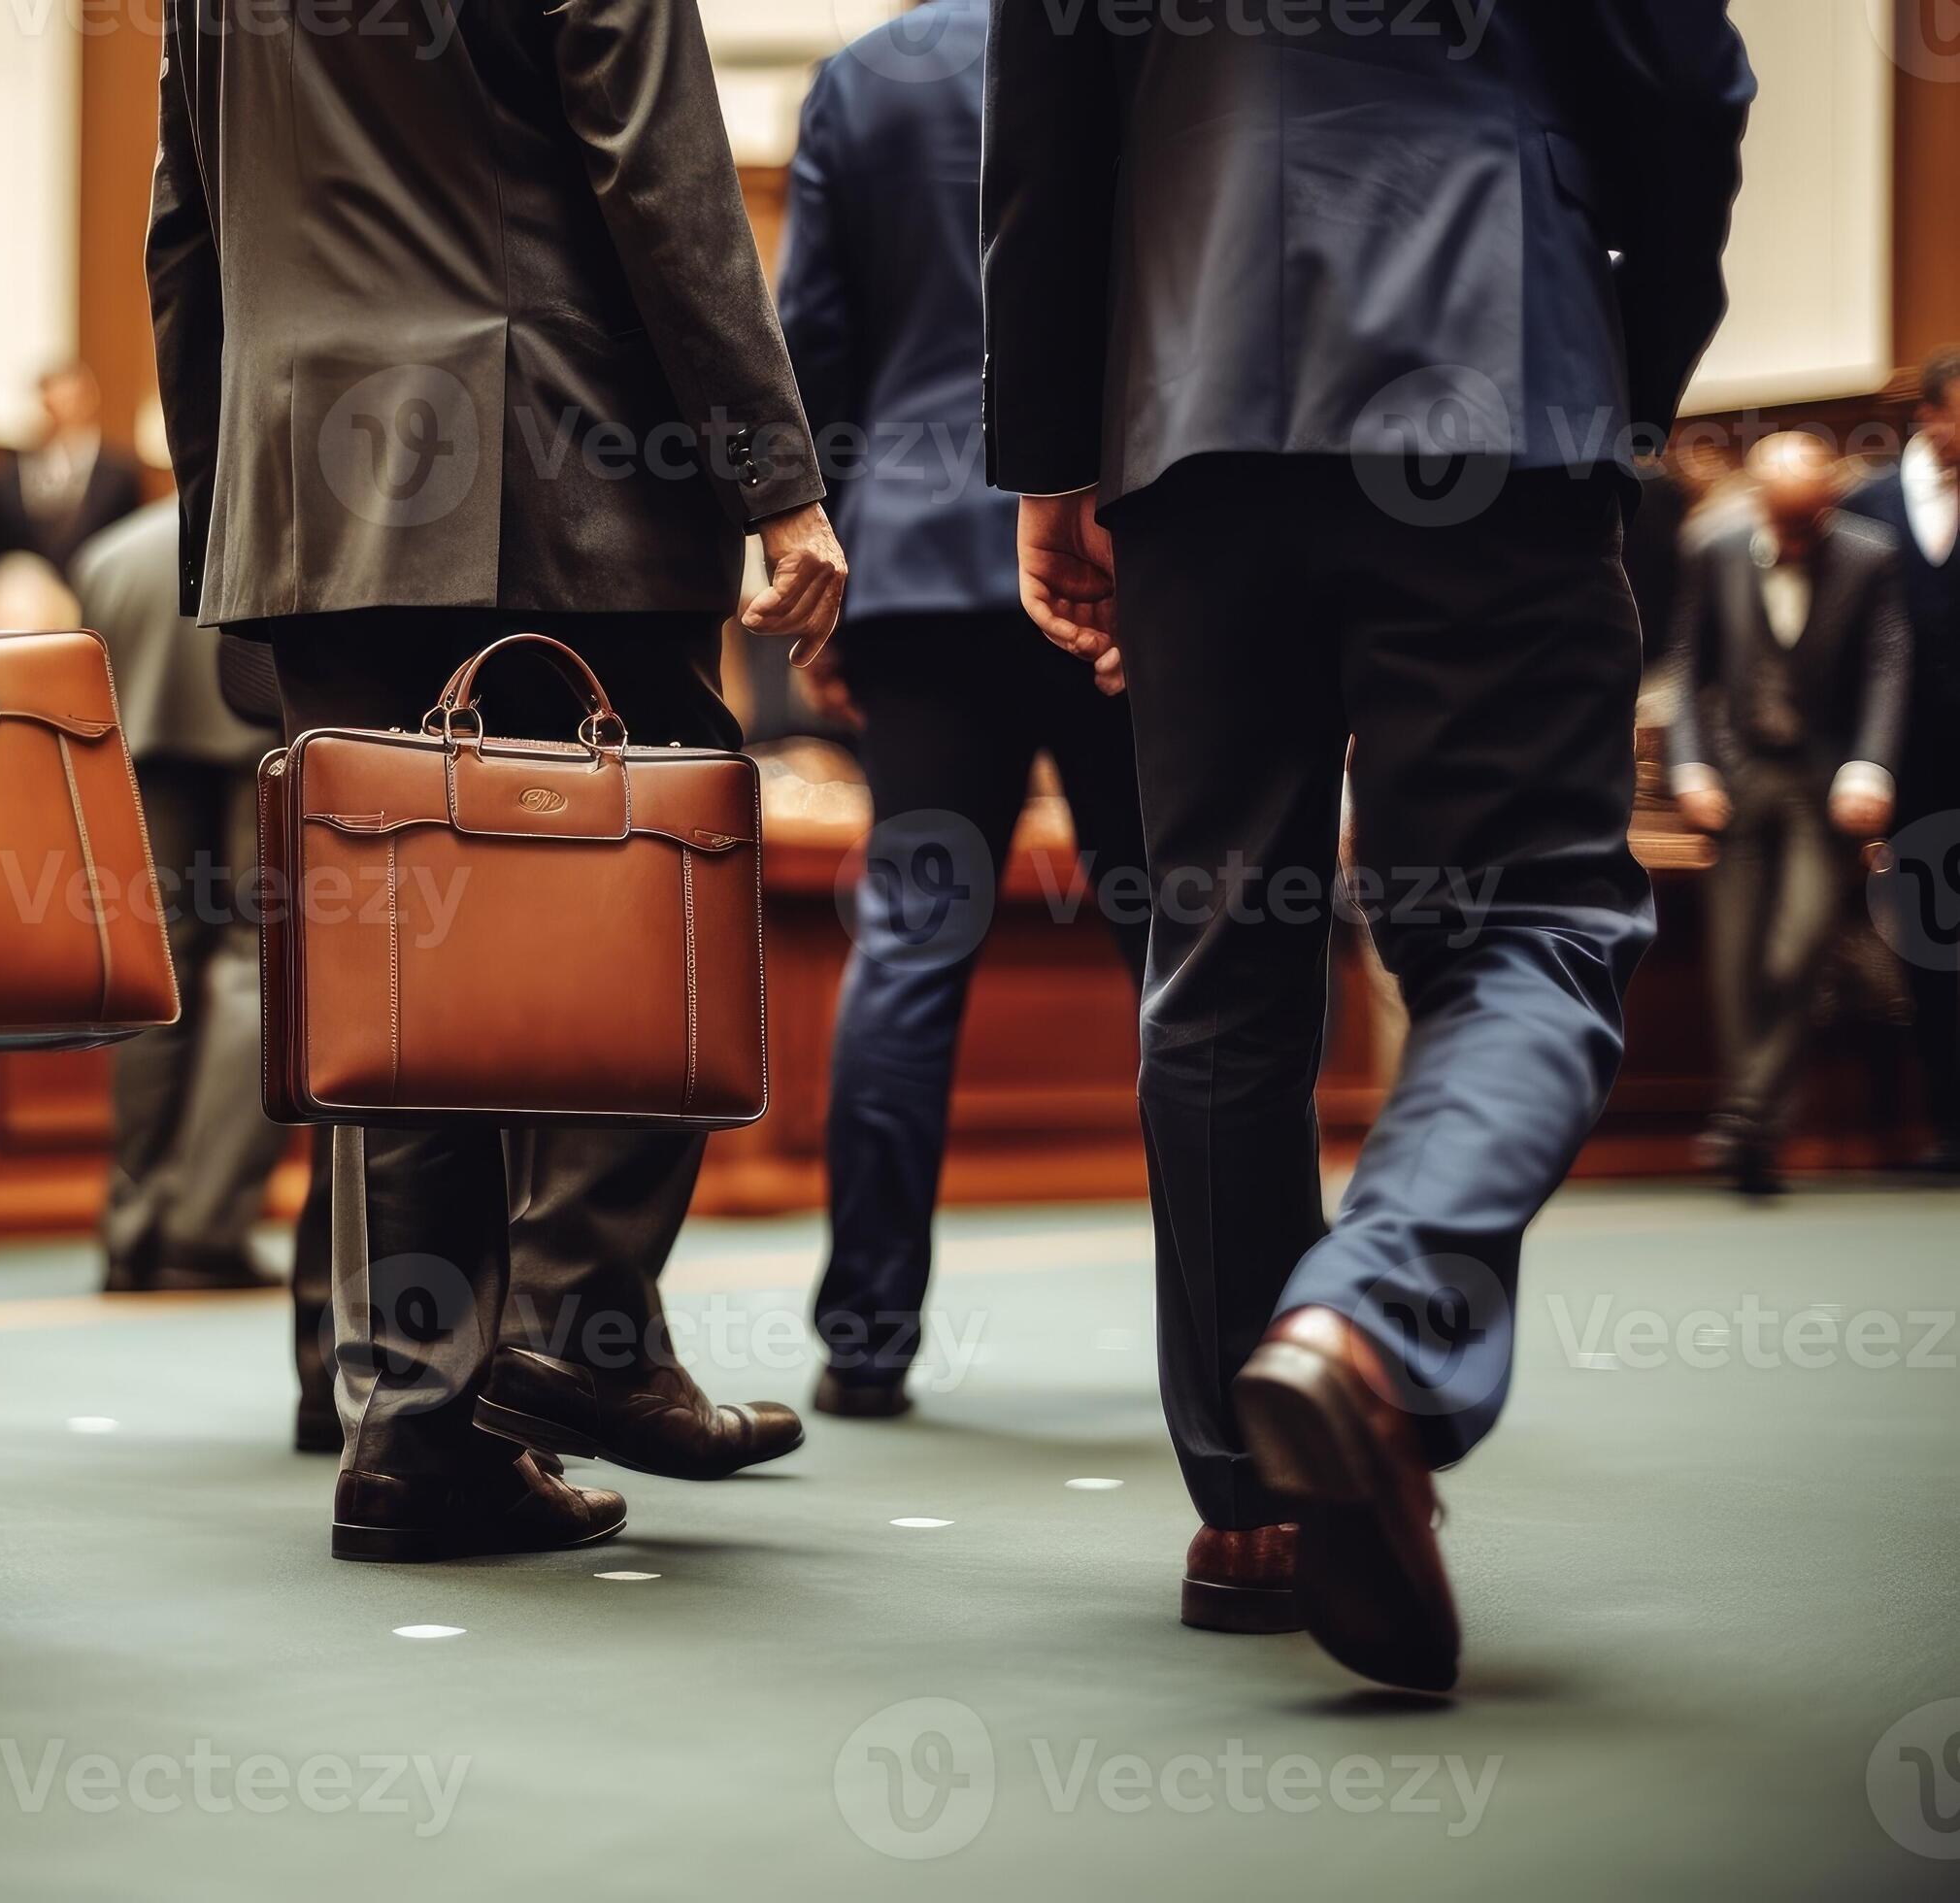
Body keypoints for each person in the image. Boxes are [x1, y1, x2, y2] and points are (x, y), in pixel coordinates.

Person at [984, 0, 1752, 1689]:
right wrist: (1629, 357)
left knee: (1217, 953)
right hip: (1497, 360)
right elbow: (1688, 83)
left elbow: (1042, 139)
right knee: (1533, 921)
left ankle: (1254, 1503)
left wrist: (1053, 464)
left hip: (1192, 401)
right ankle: (1371, 1319)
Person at [150, 0, 847, 1559]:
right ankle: (584, 1319)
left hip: (306, 490)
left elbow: (184, 233)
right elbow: (663, 179)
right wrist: (778, 483)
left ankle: (414, 1434)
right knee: (672, 853)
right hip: (553, 460)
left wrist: (232, 523)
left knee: (406, 971)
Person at [775, 0, 1151, 1429]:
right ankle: (1250, 1311)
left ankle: (866, 1336)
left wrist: (826, 580)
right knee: (1183, 941)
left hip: (922, 564)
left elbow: (818, 345)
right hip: (1123, 544)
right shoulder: (1143, 42)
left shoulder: (864, 79)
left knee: (911, 945)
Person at [1670, 434, 1911, 1195]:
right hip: (1739, 778)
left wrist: (1870, 764)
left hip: (1825, 782)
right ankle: (1756, 1131)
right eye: (1780, 520)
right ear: (1757, 504)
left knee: (1797, 950)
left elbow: (1886, 661)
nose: (1792, 537)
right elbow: (1689, 664)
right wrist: (1690, 763)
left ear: (1830, 504)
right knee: (1737, 962)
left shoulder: (1871, 555)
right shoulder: (1715, 547)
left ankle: (1746, 1117)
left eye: (1806, 522)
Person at [71, 492, 287, 1292]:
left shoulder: (109, 552)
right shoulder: (278, 528)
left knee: (155, 977)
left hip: (137, 758)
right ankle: (203, 1228)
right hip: (262, 749)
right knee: (259, 966)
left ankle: (133, 1227)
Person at [1844, 349, 1960, 1171]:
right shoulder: (1865, 506)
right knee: (1924, 944)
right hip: (1901, 772)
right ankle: (1936, 1126)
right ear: (1930, 416)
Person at [0, 361, 143, 583]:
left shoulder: (120, 475)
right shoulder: (5, 477)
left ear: (88, 400)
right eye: (52, 402)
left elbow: (129, 545)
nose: (62, 411)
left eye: (70, 401)